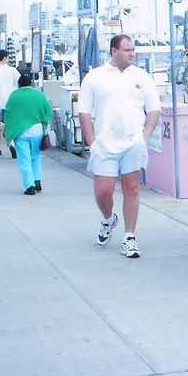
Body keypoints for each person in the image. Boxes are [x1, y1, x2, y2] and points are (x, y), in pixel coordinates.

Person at [78, 34, 160, 258]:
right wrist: (91, 142)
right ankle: (108, 219)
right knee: (103, 192)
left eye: (133, 49)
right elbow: (84, 111)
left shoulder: (142, 77)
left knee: (131, 189)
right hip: (104, 144)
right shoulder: (95, 77)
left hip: (133, 143)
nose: (132, 53)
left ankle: (129, 237)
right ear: (114, 51)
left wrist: (144, 137)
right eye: (127, 50)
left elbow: (154, 110)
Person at [4, 74, 52, 195]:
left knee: (24, 158)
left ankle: (29, 185)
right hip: (37, 130)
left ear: (19, 85)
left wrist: (8, 130)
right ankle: (37, 181)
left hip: (21, 132)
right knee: (35, 156)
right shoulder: (38, 94)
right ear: (31, 83)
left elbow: (8, 113)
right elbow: (48, 110)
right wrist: (44, 124)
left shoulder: (14, 96)